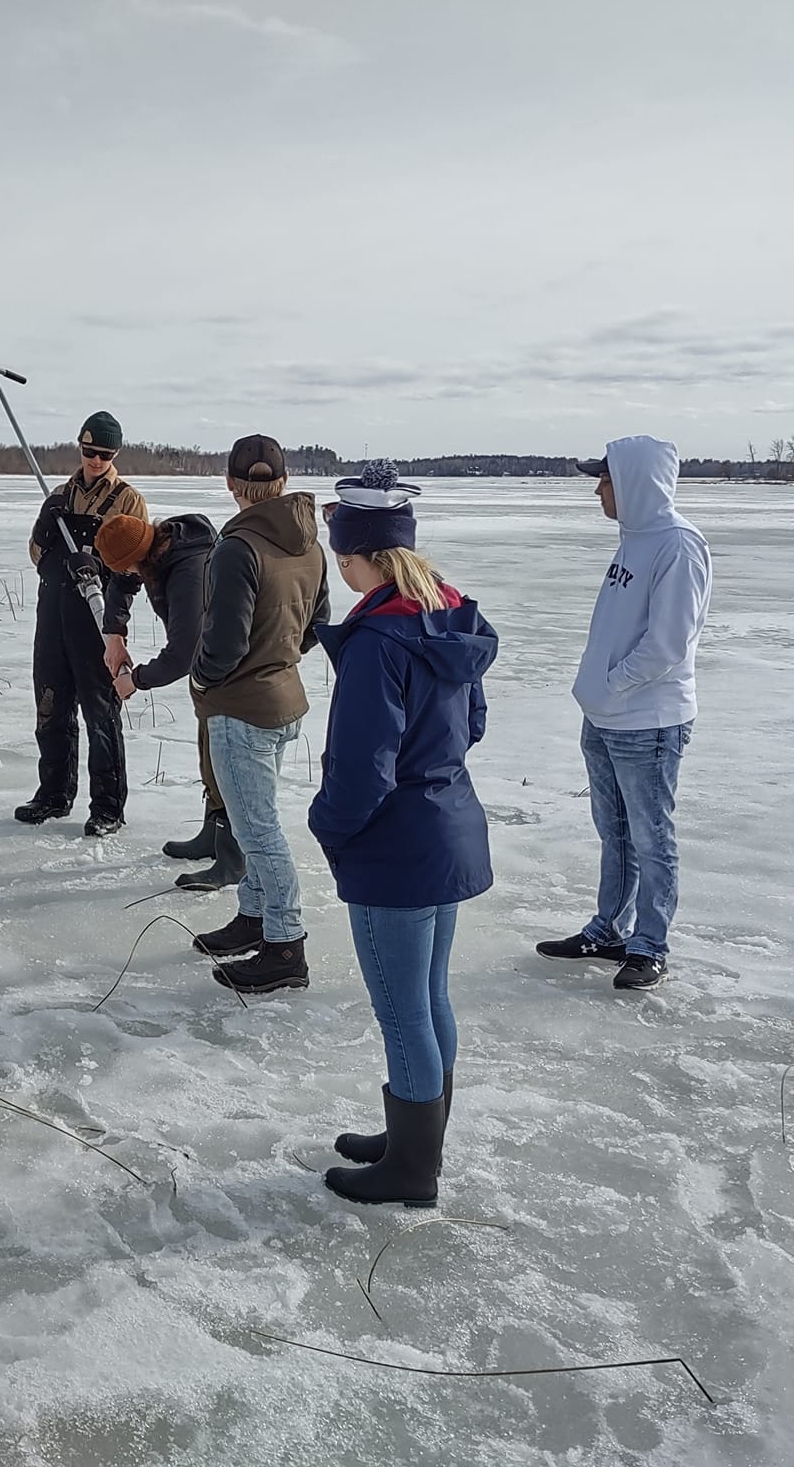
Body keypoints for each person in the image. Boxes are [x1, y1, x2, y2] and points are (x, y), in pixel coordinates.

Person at [308, 467, 496, 1207]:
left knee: (403, 1008)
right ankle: (418, 1138)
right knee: (429, 998)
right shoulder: (447, 617)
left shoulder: (377, 642)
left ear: (360, 555)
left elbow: (361, 770)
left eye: (339, 554)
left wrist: (330, 828)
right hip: (447, 831)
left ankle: (413, 1170)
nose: (338, 567)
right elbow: (472, 725)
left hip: (396, 850)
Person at [536, 435, 713, 992]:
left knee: (651, 835)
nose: (596, 490)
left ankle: (650, 945)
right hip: (607, 716)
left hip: (648, 722)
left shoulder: (678, 547)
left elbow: (667, 645)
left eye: (605, 480)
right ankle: (609, 929)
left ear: (634, 483)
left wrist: (612, 686)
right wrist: (599, 694)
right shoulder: (634, 541)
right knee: (615, 832)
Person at [188, 435, 330, 993]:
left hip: (242, 710)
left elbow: (222, 646)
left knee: (259, 829)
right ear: (283, 482)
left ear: (230, 483)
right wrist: (278, 658)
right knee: (255, 818)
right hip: (283, 700)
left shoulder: (237, 548)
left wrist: (201, 678)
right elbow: (317, 624)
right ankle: (254, 918)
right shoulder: (310, 545)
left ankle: (285, 945)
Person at [94, 510, 244, 890]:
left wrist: (136, 681)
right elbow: (121, 582)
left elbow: (184, 652)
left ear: (139, 555)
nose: (127, 576)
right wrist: (114, 632)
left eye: (127, 567)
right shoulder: (158, 548)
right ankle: (213, 833)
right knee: (209, 752)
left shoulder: (187, 571)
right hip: (211, 673)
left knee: (226, 762)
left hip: (233, 671)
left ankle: (232, 858)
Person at [15, 412, 146, 837]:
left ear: (115, 454)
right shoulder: (58, 495)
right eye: (89, 451)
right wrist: (45, 529)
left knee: (100, 713)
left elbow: (137, 565)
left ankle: (107, 807)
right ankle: (53, 794)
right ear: (80, 447)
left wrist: (101, 566)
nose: (95, 460)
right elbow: (36, 556)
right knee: (51, 707)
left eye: (104, 454)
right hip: (52, 616)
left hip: (97, 621)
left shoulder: (128, 500)